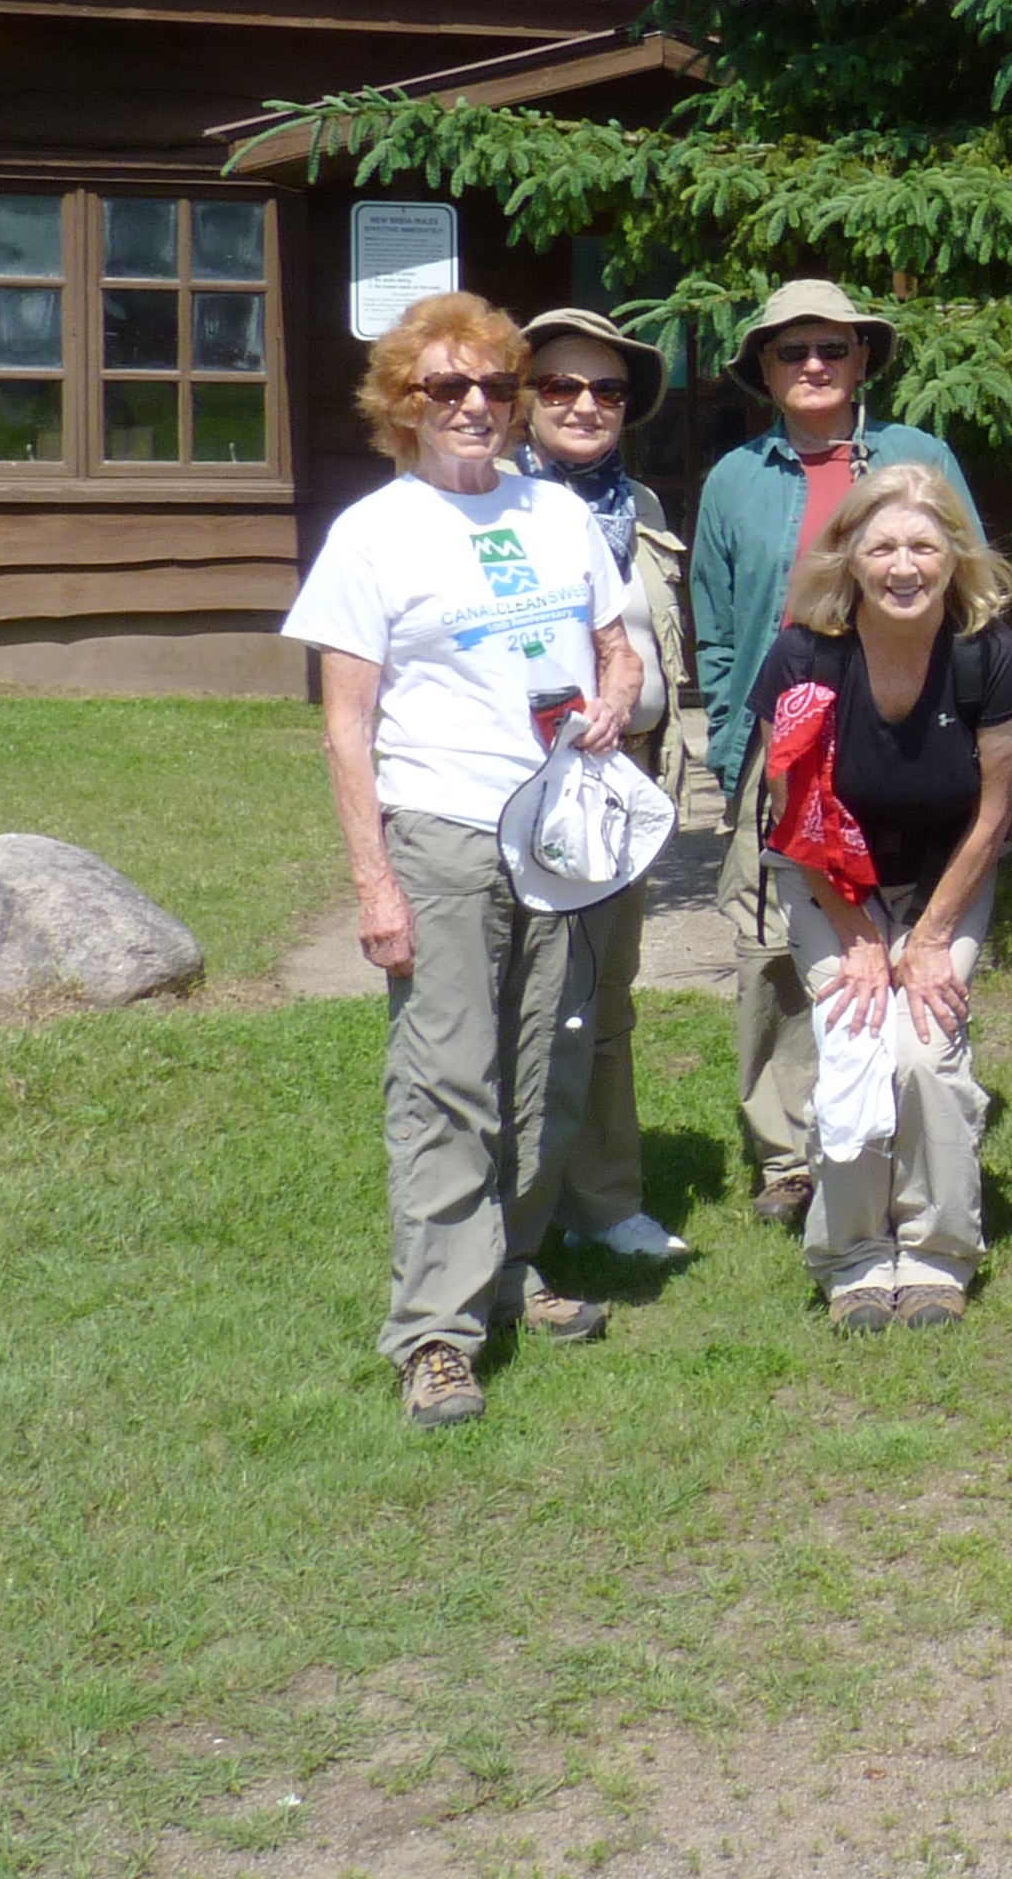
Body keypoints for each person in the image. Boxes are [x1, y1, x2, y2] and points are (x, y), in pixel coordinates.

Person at [283, 293, 640, 1429]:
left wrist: (613, 699)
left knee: (548, 1061)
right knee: (447, 1078)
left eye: (495, 385)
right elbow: (346, 725)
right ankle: (435, 1334)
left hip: (562, 829)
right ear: (405, 403)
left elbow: (616, 645)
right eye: (448, 387)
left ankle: (509, 1266)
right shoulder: (374, 533)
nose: (477, 405)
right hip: (441, 830)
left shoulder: (555, 512)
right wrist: (373, 882)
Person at [691, 280, 982, 1231]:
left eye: (831, 348)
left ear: (862, 360)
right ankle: (789, 1150)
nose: (812, 365)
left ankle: (899, 1125)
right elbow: (718, 631)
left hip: (894, 731)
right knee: (776, 946)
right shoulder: (737, 476)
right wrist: (740, 745)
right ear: (764, 371)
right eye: (790, 352)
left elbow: (969, 585)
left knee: (896, 932)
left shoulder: (915, 457)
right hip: (780, 744)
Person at [748, 467, 1012, 1328]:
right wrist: (857, 931)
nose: (904, 566)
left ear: (954, 555)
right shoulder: (808, 653)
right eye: (883, 547)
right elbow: (788, 804)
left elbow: (994, 814)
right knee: (858, 1038)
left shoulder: (991, 654)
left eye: (922, 545)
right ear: (851, 560)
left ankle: (939, 1251)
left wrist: (932, 934)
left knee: (927, 1048)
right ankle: (855, 1257)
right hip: (827, 877)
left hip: (948, 877)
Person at [517, 305, 695, 1269]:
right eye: (560, 386)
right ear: (523, 400)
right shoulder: (484, 504)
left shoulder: (645, 511)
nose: (585, 404)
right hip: (522, 792)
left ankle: (606, 1196)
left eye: (608, 389)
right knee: (528, 1003)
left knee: (607, 995)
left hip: (622, 785)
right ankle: (516, 1224)